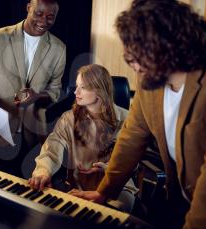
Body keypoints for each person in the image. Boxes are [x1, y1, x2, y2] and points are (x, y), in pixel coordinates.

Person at [69, 1, 206, 229]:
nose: (134, 66)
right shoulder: (150, 77)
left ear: (171, 46)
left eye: (139, 54)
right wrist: (104, 192)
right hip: (178, 200)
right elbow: (132, 135)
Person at [28, 64, 138, 212]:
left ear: (99, 91)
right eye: (77, 86)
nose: (75, 92)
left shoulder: (128, 119)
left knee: (118, 210)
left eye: (83, 87)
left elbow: (133, 163)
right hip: (79, 188)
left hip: (118, 189)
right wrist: (43, 171)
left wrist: (107, 169)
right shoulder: (68, 118)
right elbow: (52, 149)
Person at [0, 0, 66, 164]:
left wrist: (37, 96)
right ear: (28, 8)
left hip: (35, 137)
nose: (43, 21)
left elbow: (55, 91)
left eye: (50, 17)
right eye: (38, 14)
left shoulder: (59, 48)